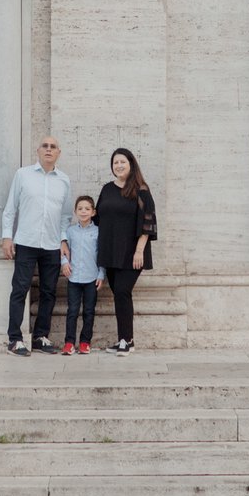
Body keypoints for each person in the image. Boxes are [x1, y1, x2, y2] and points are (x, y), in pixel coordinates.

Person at [0, 136, 70, 356]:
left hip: (51, 245)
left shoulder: (64, 181)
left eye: (53, 147)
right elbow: (11, 208)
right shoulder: (23, 175)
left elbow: (66, 216)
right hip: (26, 241)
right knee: (20, 289)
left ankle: (41, 337)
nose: (49, 150)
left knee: (49, 292)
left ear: (59, 152)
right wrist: (6, 237)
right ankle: (14, 339)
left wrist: (63, 240)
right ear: (38, 151)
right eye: (45, 146)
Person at [95, 147, 158, 354]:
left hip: (132, 253)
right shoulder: (106, 189)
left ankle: (126, 340)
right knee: (120, 295)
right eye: (115, 163)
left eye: (122, 162)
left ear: (131, 164)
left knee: (122, 291)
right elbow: (98, 218)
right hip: (110, 251)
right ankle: (126, 340)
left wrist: (139, 251)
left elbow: (148, 223)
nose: (119, 166)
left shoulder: (141, 190)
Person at [59, 194, 104, 355]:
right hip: (74, 278)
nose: (83, 211)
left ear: (93, 212)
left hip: (91, 278)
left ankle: (85, 342)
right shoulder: (70, 231)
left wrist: (101, 274)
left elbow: (101, 255)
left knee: (88, 311)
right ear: (75, 211)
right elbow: (64, 251)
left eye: (87, 209)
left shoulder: (98, 232)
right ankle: (69, 342)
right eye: (80, 209)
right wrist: (64, 264)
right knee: (72, 310)